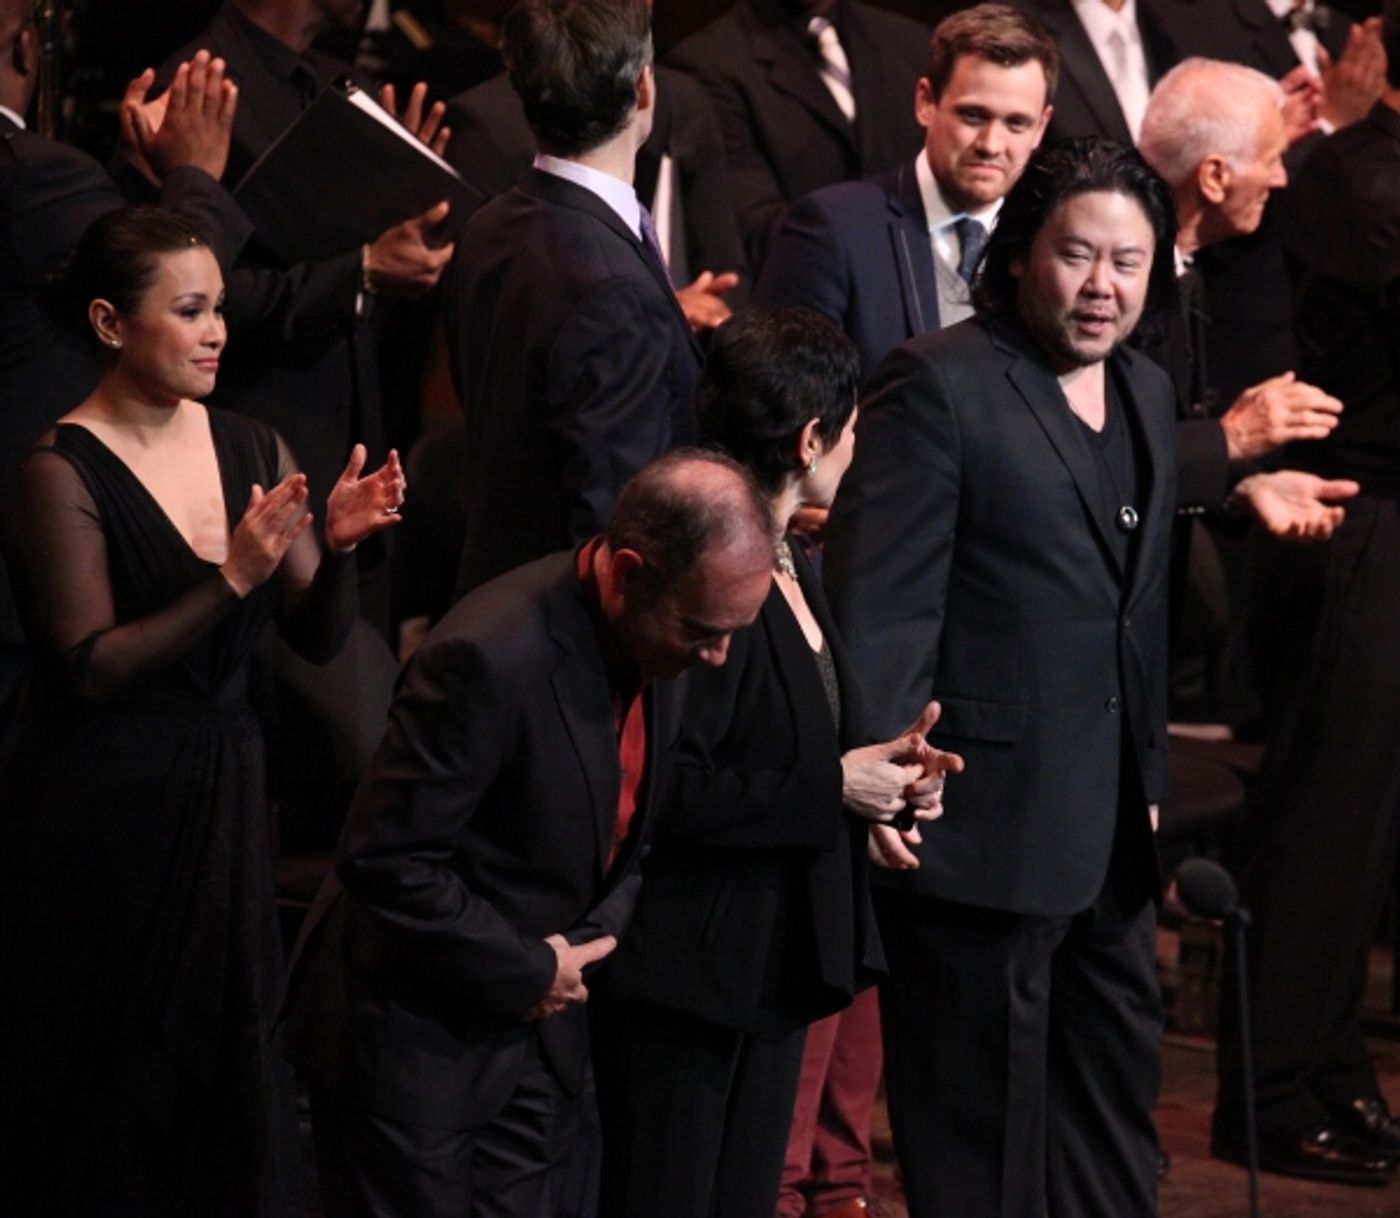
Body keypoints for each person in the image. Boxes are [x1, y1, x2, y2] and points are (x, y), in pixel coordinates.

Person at [0, 205, 405, 1217]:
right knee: (111, 1090)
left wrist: (340, 552)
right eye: (190, 310)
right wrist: (231, 580)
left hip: (225, 795)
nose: (219, 330)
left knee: (229, 1077)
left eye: (221, 306)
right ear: (108, 322)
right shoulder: (57, 471)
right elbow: (87, 668)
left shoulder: (251, 444)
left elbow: (313, 635)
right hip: (99, 817)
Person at [825, 137, 1178, 1217]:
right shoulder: (936, 382)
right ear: (1023, 250)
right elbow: (883, 599)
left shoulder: (1148, 389)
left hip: (1111, 830)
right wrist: (886, 769)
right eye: (1077, 256)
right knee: (981, 1148)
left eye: (1127, 262)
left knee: (1111, 1128)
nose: (1100, 286)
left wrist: (1147, 772)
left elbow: (1133, 610)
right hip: (977, 829)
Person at [280, 450, 775, 1217]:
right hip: (415, 1048)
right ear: (630, 572)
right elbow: (387, 860)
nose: (718, 657)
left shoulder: (660, 643)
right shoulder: (489, 657)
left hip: (540, 1039)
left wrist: (586, 946)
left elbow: (629, 833)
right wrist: (529, 969)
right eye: (704, 631)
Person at [592, 307, 958, 1218]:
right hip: (692, 967)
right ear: (810, 438)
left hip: (765, 958)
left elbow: (791, 740)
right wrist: (836, 788)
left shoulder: (792, 554)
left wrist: (876, 796)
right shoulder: (716, 571)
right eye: (853, 427)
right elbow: (666, 784)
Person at [1209, 3, 1400, 1186]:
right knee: (1328, 816)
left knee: (1368, 827)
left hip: (1373, 519)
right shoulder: (1354, 176)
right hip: (1348, 520)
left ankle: (1327, 1063)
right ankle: (1266, 1086)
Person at [445, 0, 702, 596]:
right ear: (642, 88)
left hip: (493, 596)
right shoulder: (612, 292)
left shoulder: (488, 226)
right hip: (567, 639)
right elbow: (615, 528)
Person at [755, 3, 1058, 382]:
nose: (991, 144)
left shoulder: (1049, 244)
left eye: (1016, 123)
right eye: (973, 116)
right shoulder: (833, 230)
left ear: (1042, 127)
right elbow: (785, 404)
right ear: (925, 103)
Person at [666, 0, 931, 273]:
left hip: (930, 294)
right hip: (802, 298)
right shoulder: (708, 64)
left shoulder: (913, 44)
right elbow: (757, 231)